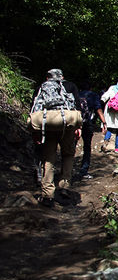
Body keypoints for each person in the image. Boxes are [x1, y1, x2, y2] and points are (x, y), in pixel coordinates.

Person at [32, 68, 81, 207]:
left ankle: (48, 194)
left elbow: (35, 108)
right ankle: (64, 186)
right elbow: (76, 105)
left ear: (48, 77)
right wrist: (78, 127)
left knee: (48, 158)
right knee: (68, 154)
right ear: (61, 77)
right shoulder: (70, 86)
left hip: (47, 125)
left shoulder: (42, 87)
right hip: (67, 124)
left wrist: (35, 131)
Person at [77, 81, 107, 179]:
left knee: (70, 146)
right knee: (87, 146)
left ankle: (66, 170)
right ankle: (83, 170)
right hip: (87, 123)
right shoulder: (93, 95)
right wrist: (104, 122)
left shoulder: (75, 94)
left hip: (75, 122)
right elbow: (98, 109)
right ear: (90, 88)